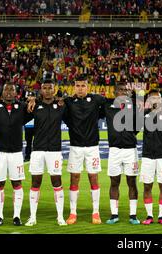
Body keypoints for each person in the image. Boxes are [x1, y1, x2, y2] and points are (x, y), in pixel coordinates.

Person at [0, 83, 32, 226]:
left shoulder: (22, 107)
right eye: (6, 89)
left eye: (11, 90)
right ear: (1, 91)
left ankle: (16, 216)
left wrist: (34, 100)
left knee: (16, 183)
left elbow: (38, 106)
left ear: (16, 93)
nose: (8, 92)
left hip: (16, 152)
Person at [63, 76, 106, 225]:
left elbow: (107, 106)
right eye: (78, 85)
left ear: (87, 87)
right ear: (74, 87)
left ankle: (96, 212)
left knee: (93, 178)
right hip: (75, 147)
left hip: (92, 147)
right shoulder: (68, 102)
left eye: (83, 85)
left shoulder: (95, 100)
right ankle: (73, 212)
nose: (80, 88)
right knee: (74, 178)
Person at [25, 79, 67, 226]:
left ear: (54, 90)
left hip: (54, 151)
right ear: (41, 90)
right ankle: (32, 217)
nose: (48, 90)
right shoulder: (34, 105)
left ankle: (60, 217)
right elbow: (21, 117)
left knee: (57, 182)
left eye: (50, 88)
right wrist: (30, 100)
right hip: (38, 150)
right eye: (45, 88)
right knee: (35, 182)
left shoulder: (61, 106)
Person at [103, 83, 141, 225]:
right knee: (114, 182)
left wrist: (131, 135)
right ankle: (114, 214)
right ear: (114, 92)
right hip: (114, 150)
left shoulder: (134, 108)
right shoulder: (108, 107)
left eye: (126, 90)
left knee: (132, 182)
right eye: (121, 90)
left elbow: (139, 125)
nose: (124, 93)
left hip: (130, 150)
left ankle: (133, 215)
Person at [140, 89, 162, 225]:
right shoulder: (143, 116)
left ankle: (161, 216)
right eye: (151, 99)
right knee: (147, 186)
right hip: (147, 156)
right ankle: (149, 215)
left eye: (156, 99)